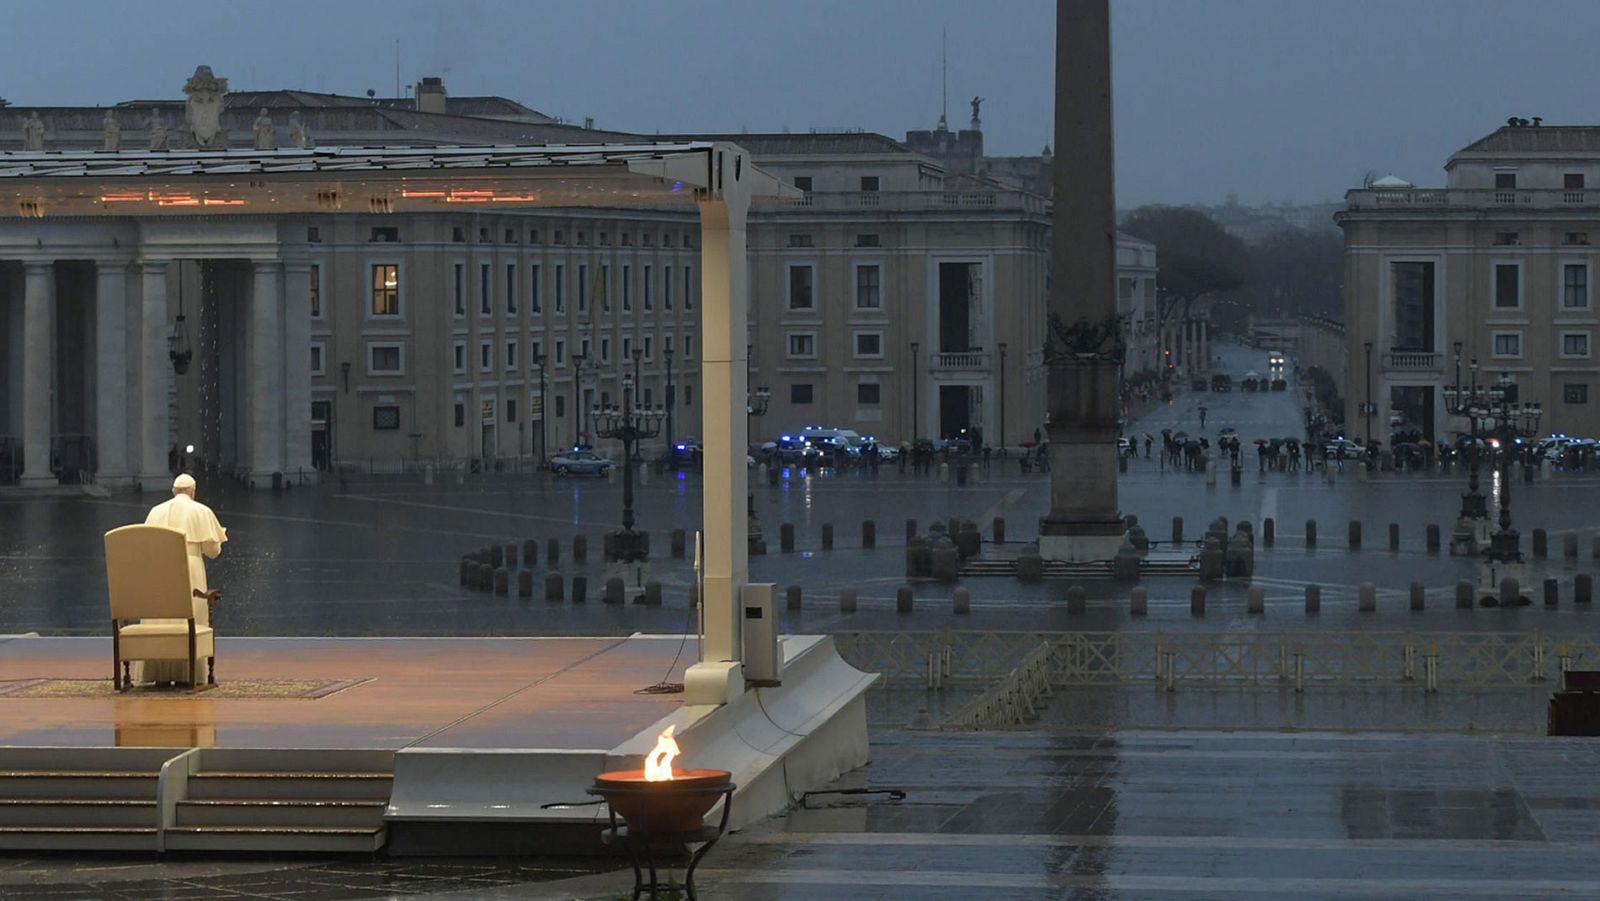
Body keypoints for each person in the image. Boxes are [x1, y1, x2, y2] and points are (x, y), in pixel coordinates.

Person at [139, 474, 226, 685]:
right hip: (190, 569)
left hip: (159, 571)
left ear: (173, 491)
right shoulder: (201, 511)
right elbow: (212, 551)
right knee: (189, 618)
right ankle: (189, 674)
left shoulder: (155, 512)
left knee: (161, 621)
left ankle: (159, 674)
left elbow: (146, 547)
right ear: (193, 491)